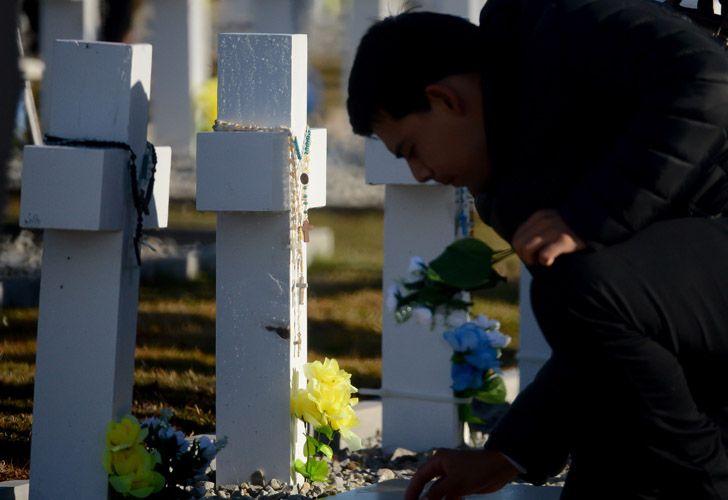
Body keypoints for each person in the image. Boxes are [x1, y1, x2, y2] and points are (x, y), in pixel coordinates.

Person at [346, 0, 728, 499]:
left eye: (412, 149)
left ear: (445, 99)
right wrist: (509, 453)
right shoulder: (509, 191)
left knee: (575, 286)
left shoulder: (565, 30)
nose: (420, 174)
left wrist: (589, 217)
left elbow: (709, 81)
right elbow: (602, 345)